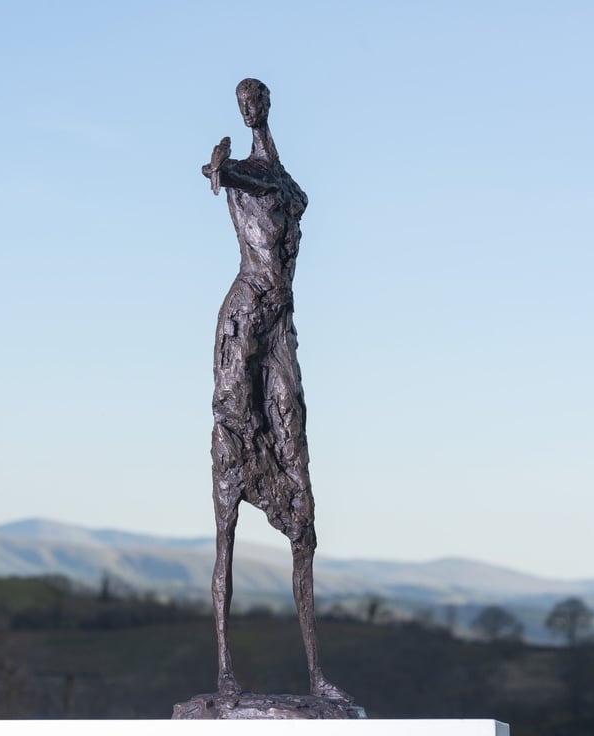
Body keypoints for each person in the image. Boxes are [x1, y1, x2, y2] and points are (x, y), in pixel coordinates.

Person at [202, 78, 350, 701]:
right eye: (243, 103)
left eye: (255, 102)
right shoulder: (242, 173)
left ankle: (317, 674)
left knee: (302, 504)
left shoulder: (284, 181)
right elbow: (226, 174)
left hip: (280, 328)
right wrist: (220, 167)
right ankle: (224, 673)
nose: (250, 110)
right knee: (228, 496)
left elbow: (274, 185)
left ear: (266, 106)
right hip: (245, 322)